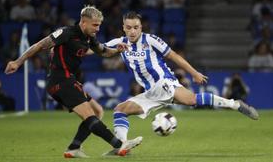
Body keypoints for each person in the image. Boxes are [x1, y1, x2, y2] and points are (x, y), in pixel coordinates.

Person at [103, 11, 259, 154]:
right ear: (123, 27)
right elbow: (97, 49)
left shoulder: (150, 39)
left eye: (136, 27)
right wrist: (80, 48)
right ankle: (122, 145)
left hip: (163, 82)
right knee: (120, 110)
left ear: (141, 27)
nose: (132, 31)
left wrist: (194, 73)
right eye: (129, 27)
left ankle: (234, 104)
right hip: (150, 92)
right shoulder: (119, 43)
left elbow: (174, 56)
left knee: (191, 99)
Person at [4, 6, 142, 158]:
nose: (97, 28)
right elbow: (39, 45)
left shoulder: (89, 38)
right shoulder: (66, 33)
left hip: (69, 80)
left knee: (97, 111)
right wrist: (17, 62)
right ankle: (119, 145)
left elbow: (103, 51)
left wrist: (117, 49)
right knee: (89, 115)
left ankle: (74, 148)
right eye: (95, 25)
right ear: (83, 22)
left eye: (99, 25)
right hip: (60, 80)